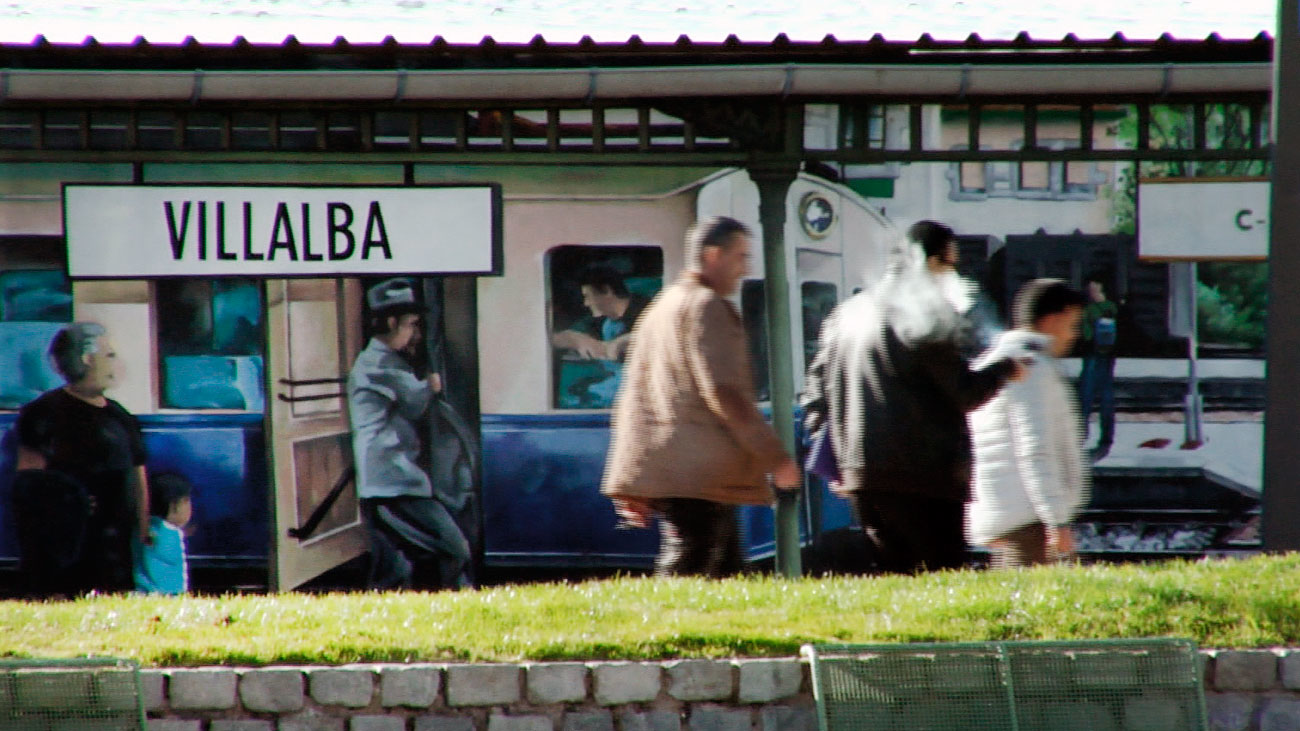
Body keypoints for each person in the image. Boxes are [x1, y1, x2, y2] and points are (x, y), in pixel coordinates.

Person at [805, 220, 1026, 574]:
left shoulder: (847, 312)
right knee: (940, 577)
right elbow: (964, 392)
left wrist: (837, 460)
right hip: (924, 477)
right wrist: (1004, 370)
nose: (955, 274)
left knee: (894, 579)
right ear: (932, 263)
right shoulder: (926, 313)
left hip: (863, 476)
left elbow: (815, 394)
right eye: (951, 263)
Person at [601, 216, 801, 578]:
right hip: (698, 472)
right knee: (692, 563)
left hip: (682, 468)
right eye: (740, 257)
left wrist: (630, 475)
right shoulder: (707, 306)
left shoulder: (663, 306)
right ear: (713, 255)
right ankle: (662, 630)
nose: (745, 269)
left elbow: (635, 396)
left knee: (724, 572)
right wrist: (777, 459)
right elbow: (724, 391)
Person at [347, 278, 471, 590]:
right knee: (454, 549)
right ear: (391, 322)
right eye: (410, 325)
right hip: (393, 477)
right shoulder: (377, 364)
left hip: (390, 475)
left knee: (394, 565)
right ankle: (456, 598)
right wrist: (430, 385)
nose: (414, 333)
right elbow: (415, 403)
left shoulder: (384, 360)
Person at [13, 322, 151, 595]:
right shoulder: (43, 413)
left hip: (116, 545)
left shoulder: (121, 417)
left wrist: (143, 529)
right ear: (86, 360)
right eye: (109, 356)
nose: (116, 364)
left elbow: (137, 474)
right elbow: (29, 482)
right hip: (68, 547)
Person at [967, 279, 1090, 568]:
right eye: (1071, 324)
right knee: (1033, 608)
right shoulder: (1032, 368)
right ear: (1052, 320)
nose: (1073, 335)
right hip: (1029, 521)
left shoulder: (995, 361)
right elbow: (1035, 450)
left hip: (1009, 513)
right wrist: (1056, 521)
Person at [551, 266, 651, 408]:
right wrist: (575, 338)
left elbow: (666, 337)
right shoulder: (600, 321)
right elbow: (553, 338)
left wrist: (623, 341)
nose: (586, 303)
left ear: (606, 291)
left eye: (587, 296)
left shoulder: (651, 311)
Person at [1078, 273, 1120, 461]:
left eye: (1094, 289)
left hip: (1093, 356)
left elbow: (1085, 335)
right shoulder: (1114, 309)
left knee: (1086, 397)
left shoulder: (1088, 310)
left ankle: (1082, 435)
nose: (1091, 293)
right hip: (1106, 356)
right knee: (1104, 398)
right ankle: (1105, 438)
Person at [133, 473, 193, 594]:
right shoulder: (173, 534)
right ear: (174, 506)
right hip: (168, 592)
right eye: (186, 501)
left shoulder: (140, 530)